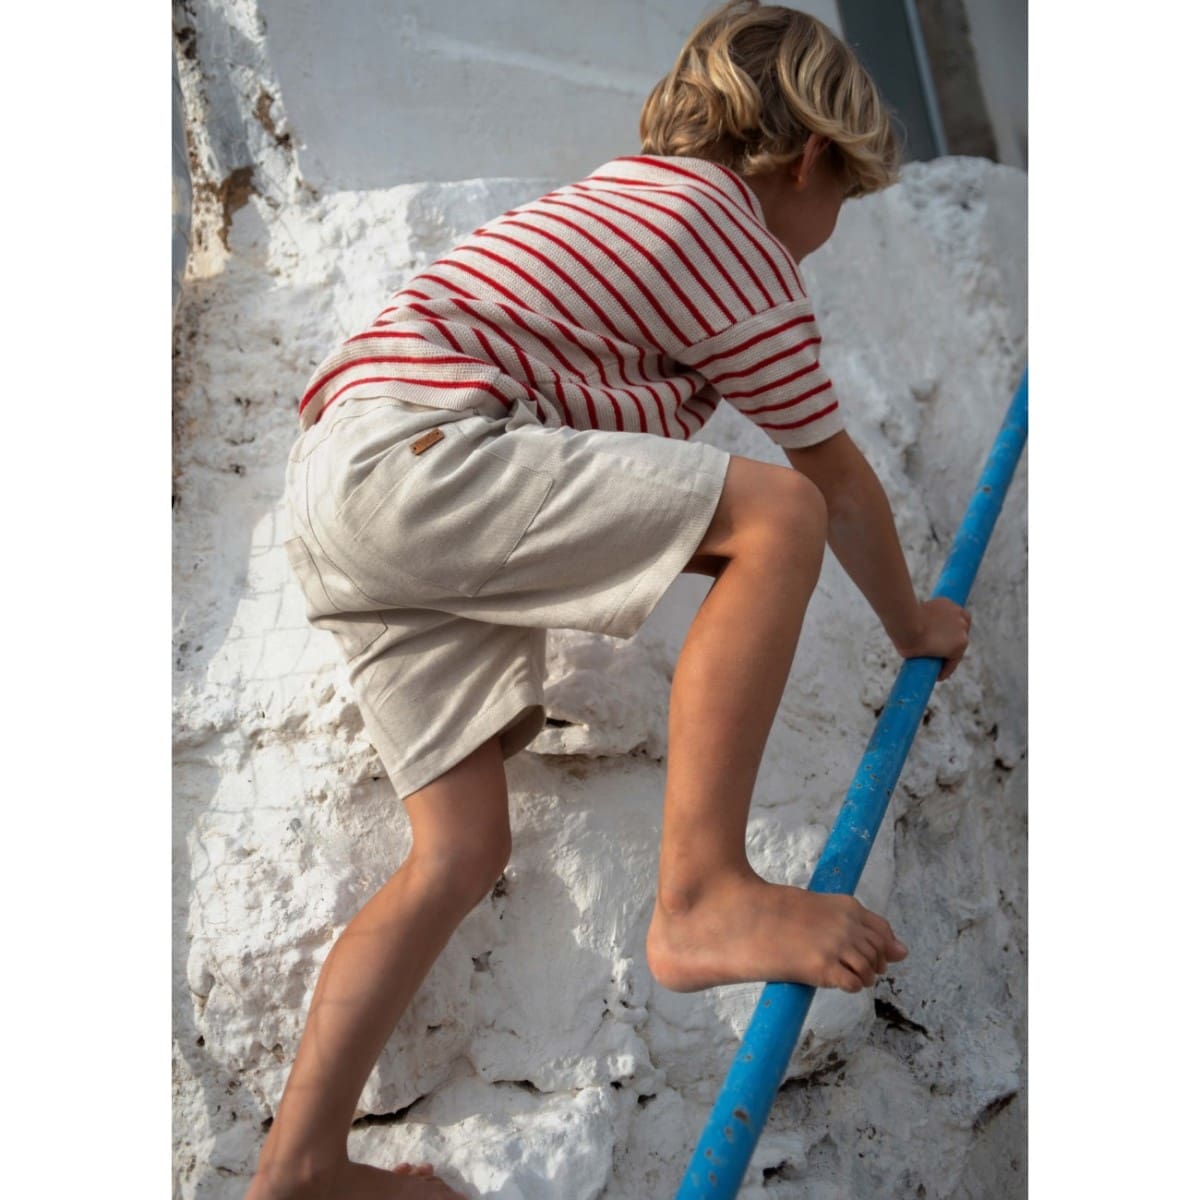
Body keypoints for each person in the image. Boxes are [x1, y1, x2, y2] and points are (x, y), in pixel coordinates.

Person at [246, 3, 970, 1197]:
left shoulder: (626, 204)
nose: (823, 241)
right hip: (425, 455)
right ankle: (703, 895)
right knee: (775, 515)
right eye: (842, 204)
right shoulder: (722, 223)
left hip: (346, 490)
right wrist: (914, 624)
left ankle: (301, 1162)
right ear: (807, 163)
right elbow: (829, 480)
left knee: (460, 848)